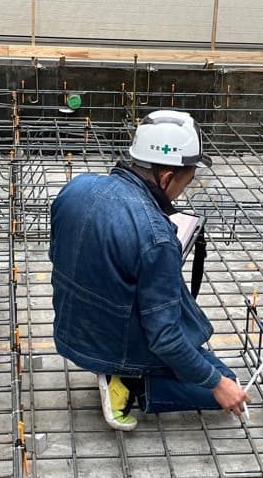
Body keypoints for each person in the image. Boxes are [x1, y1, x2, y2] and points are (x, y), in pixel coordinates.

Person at [49, 110, 250, 431]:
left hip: (72, 330)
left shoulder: (76, 188)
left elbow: (61, 256)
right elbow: (165, 338)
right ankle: (129, 382)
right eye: (187, 180)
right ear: (167, 177)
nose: (184, 189)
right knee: (229, 387)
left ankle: (123, 372)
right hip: (112, 345)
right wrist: (216, 383)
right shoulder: (156, 236)